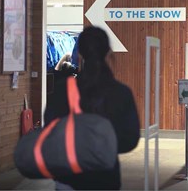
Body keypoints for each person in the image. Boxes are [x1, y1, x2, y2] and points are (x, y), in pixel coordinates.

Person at [44, 26, 140, 190]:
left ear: (79, 55)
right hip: (105, 177)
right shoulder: (121, 92)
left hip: (68, 177)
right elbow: (130, 140)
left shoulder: (62, 90)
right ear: (108, 53)